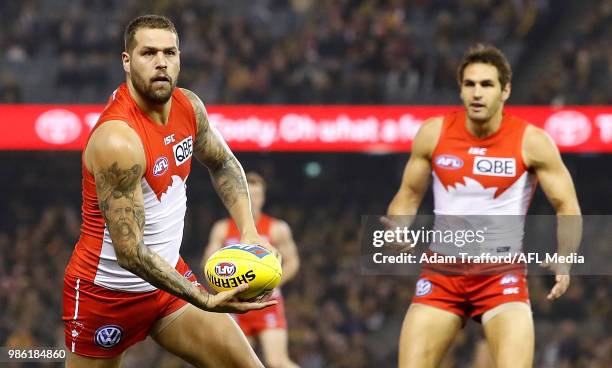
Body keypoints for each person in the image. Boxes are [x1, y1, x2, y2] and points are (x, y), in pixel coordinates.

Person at [62, 15, 277, 368]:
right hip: (106, 296)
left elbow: (223, 163)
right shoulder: (118, 138)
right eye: (148, 53)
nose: (161, 62)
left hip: (166, 283)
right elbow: (130, 254)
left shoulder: (189, 107)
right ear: (127, 62)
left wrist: (249, 231)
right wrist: (202, 298)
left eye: (169, 52)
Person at [385, 44, 581, 368]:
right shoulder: (434, 133)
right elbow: (407, 197)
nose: (477, 93)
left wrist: (566, 258)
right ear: (461, 89)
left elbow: (567, 205)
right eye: (470, 84)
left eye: (487, 85)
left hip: (500, 276)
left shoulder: (531, 141)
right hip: (442, 275)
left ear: (505, 91)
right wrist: (399, 227)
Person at [203, 172, 301, 368]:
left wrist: (271, 283)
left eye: (257, 195)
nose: (253, 200)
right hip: (234, 302)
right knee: (236, 363)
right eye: (248, 195)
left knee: (277, 362)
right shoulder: (222, 228)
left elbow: (293, 262)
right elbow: (208, 263)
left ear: (263, 198)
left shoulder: (277, 228)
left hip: (268, 302)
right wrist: (222, 286)